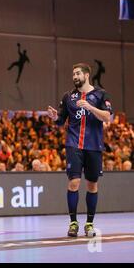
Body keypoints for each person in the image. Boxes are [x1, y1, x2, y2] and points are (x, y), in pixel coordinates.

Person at [47, 63, 112, 237]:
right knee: (74, 182)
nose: (74, 77)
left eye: (77, 74)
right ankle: (73, 222)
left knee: (92, 185)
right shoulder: (68, 96)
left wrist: (90, 107)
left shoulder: (100, 94)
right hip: (73, 144)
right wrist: (55, 117)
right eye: (73, 74)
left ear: (86, 75)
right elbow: (61, 121)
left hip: (94, 145)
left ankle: (89, 224)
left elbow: (108, 117)